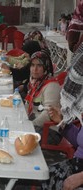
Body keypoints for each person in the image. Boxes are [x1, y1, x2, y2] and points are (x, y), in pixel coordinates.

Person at [41, 43, 83, 190]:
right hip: (78, 163)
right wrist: (62, 123)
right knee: (45, 176)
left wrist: (80, 177)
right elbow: (79, 140)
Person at [25, 50, 62, 145]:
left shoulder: (51, 85)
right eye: (32, 65)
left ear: (46, 67)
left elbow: (48, 114)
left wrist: (29, 125)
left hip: (50, 131)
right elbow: (28, 105)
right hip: (36, 124)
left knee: (21, 138)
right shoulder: (36, 82)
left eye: (39, 66)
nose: (34, 69)